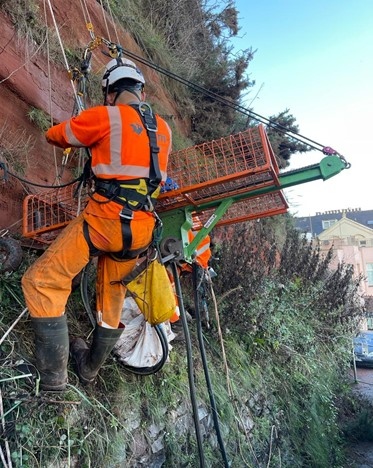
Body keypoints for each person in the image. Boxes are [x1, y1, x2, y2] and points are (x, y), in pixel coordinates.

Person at [22, 57, 172, 391]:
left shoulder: (105, 116)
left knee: (43, 282)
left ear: (109, 93)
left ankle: (53, 381)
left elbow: (58, 135)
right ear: (141, 91)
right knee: (112, 297)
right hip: (141, 231)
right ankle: (88, 371)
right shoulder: (163, 128)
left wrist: (77, 128)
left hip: (104, 222)